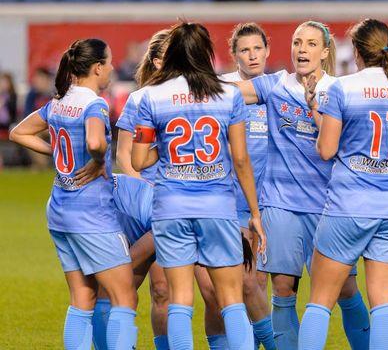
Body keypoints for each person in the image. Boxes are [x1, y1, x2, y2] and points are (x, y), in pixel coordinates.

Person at [296, 18, 388, 350]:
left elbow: (327, 150)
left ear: (356, 51)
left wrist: (317, 114)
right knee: (385, 303)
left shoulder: (342, 88)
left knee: (320, 302)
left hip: (348, 206)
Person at [234, 21, 370, 350]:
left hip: (329, 206)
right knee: (282, 289)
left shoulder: (340, 90)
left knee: (345, 290)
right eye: (297, 43)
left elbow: (335, 148)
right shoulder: (275, 85)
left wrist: (314, 106)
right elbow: (227, 93)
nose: (301, 50)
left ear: (325, 52)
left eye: (310, 44)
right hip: (281, 204)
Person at [131, 21, 266, 350]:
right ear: (207, 52)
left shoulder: (151, 96)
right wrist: (254, 213)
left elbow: (138, 160)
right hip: (217, 208)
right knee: (231, 298)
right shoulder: (228, 95)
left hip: (170, 208)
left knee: (179, 299)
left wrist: (168, 148)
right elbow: (241, 160)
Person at [9, 39, 138, 350]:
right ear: (97, 68)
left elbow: (18, 132)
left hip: (60, 212)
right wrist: (96, 161)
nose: (110, 69)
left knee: (82, 297)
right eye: (108, 63)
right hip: (92, 214)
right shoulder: (94, 103)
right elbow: (95, 142)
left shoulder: (58, 102)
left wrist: (56, 151)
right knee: (125, 297)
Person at [194, 22, 275, 350]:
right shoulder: (221, 89)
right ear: (234, 55)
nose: (252, 55)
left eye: (258, 48)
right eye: (245, 50)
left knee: (256, 283)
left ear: (268, 50)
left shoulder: (277, 88)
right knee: (222, 289)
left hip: (268, 200)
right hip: (228, 201)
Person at [93, 29, 171, 350]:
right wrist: (145, 189)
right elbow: (123, 157)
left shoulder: (196, 97)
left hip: (173, 205)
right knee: (125, 280)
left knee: (163, 288)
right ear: (156, 61)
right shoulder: (139, 99)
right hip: (140, 203)